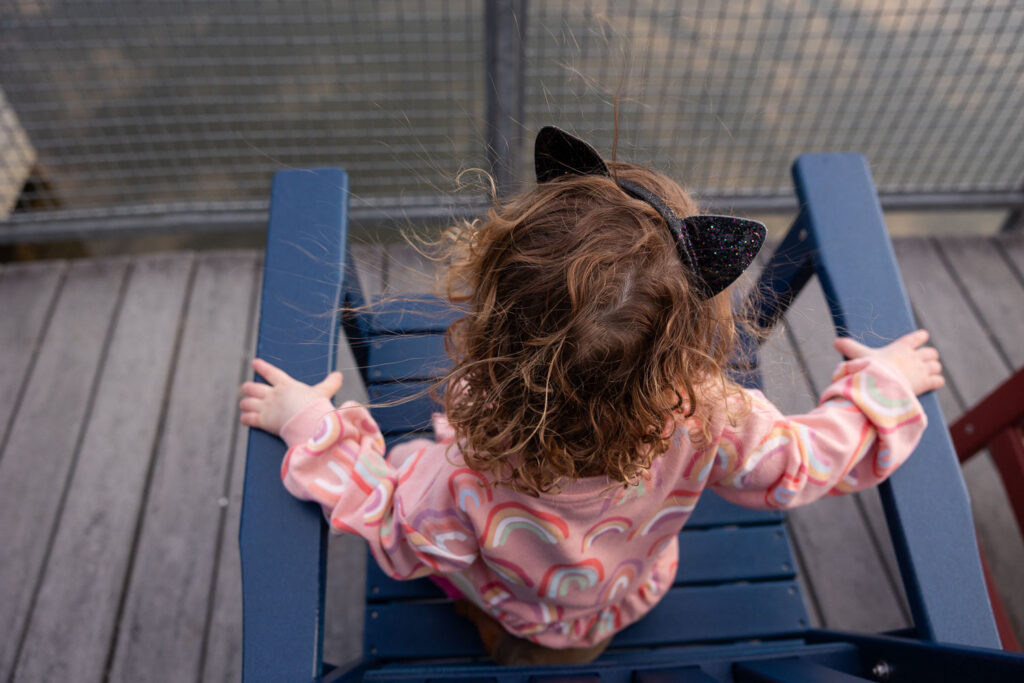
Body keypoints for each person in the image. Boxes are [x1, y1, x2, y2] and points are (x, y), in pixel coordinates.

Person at [237, 127, 944, 665]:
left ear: (493, 329)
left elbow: (386, 512)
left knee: (475, 597)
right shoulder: (711, 416)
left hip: (518, 612)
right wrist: (880, 387)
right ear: (688, 342)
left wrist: (309, 422)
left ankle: (504, 632)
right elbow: (803, 459)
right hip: (626, 594)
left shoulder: (461, 480)